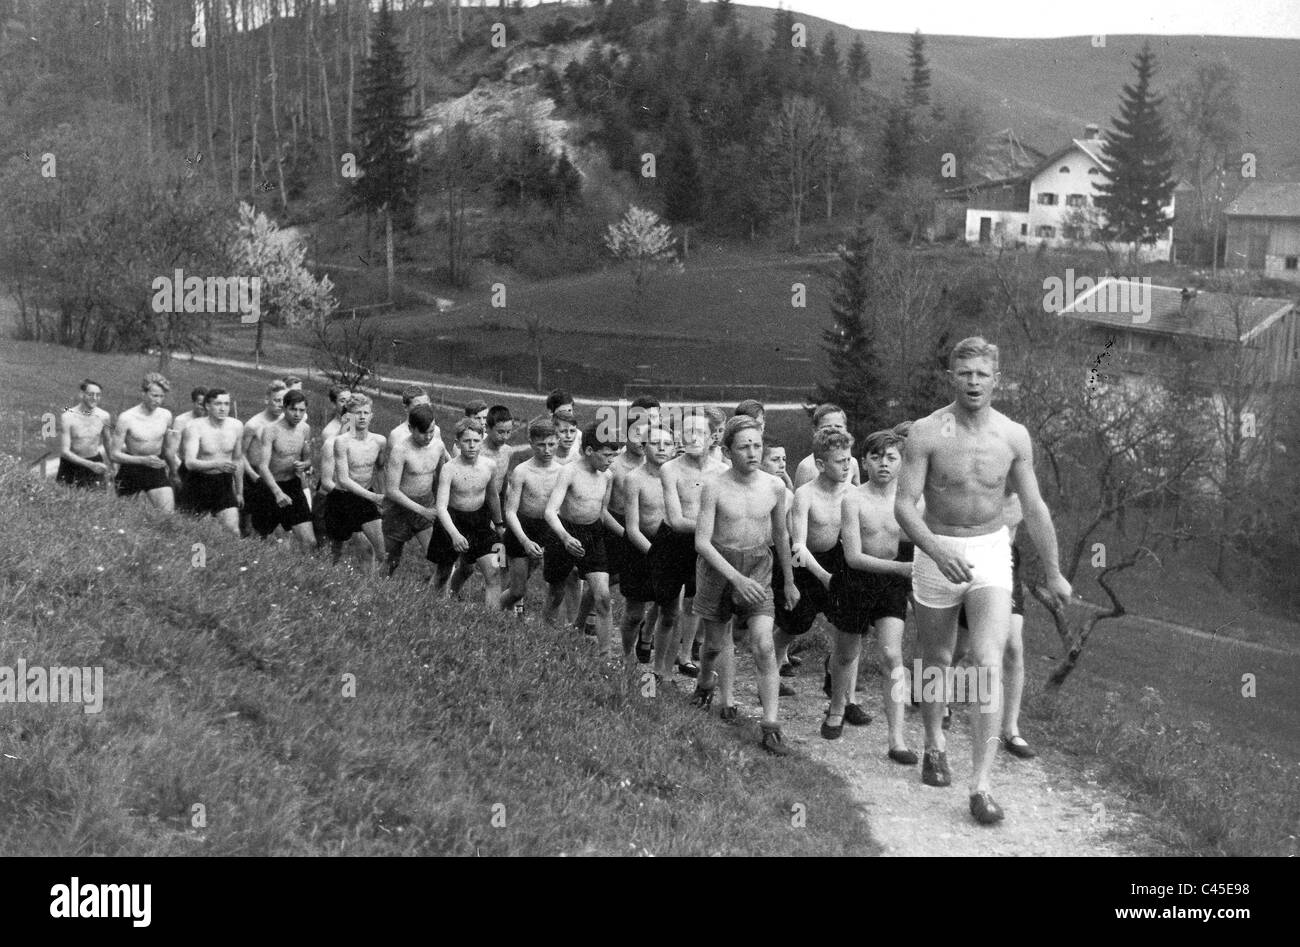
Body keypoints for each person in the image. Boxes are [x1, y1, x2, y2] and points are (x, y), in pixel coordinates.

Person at [894, 336, 1072, 826]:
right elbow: (904, 505)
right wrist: (934, 548)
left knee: (987, 661)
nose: (973, 382)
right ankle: (934, 743)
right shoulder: (927, 433)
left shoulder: (1013, 436)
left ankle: (982, 785)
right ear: (952, 376)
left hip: (991, 552)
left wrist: (1054, 571)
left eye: (982, 374)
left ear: (997, 379)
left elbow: (1034, 508)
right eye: (964, 373)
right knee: (939, 659)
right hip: (937, 549)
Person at [691, 416, 798, 756]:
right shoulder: (714, 486)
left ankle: (770, 726)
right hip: (718, 567)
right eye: (744, 447)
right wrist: (734, 578)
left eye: (757, 445)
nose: (753, 453)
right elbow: (702, 542)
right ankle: (706, 683)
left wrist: (790, 580)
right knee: (714, 644)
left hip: (759, 566)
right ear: (727, 450)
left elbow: (781, 535)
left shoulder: (775, 486)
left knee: (764, 645)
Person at [832, 430, 915, 761]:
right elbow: (852, 556)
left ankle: (897, 738)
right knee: (847, 653)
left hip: (891, 585)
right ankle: (838, 705)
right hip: (856, 581)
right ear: (863, 462)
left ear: (901, 462)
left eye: (891, 457)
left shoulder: (910, 501)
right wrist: (900, 570)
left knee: (892, 657)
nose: (884, 464)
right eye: (876, 457)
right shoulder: (853, 499)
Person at [952, 491, 1036, 758]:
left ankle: (1010, 728)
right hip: (967, 562)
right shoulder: (978, 482)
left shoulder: (1024, 493)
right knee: (960, 647)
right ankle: (929, 692)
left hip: (1004, 566)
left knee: (1013, 646)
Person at [773, 427, 854, 697]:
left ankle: (836, 675)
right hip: (803, 563)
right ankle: (770, 671)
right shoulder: (805, 495)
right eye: (839, 461)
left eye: (848, 460)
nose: (846, 466)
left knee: (847, 621)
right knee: (794, 624)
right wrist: (823, 576)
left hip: (835, 558)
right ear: (820, 464)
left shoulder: (850, 493)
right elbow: (797, 545)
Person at [654, 409, 725, 677]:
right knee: (669, 612)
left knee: (696, 605)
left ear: (712, 437)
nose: (693, 438)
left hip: (706, 545)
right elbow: (676, 519)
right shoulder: (669, 469)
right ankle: (657, 673)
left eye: (700, 433)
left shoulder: (722, 472)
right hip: (674, 543)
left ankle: (683, 660)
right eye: (687, 432)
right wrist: (712, 529)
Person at [543, 422, 621, 657]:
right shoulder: (568, 472)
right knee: (556, 593)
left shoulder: (607, 476)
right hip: (563, 534)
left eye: (614, 456)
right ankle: (544, 639)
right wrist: (565, 538)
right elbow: (550, 511)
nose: (610, 461)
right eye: (606, 455)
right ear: (589, 451)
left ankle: (604, 655)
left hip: (592, 535)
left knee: (603, 596)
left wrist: (625, 535)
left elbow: (603, 513)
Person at [625, 423, 681, 679]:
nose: (661, 448)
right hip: (641, 548)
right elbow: (633, 528)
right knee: (635, 613)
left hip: (671, 549)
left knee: (670, 612)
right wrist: (655, 555)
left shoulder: (680, 477)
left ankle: (660, 669)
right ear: (643, 446)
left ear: (674, 448)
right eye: (655, 443)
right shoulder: (634, 479)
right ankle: (627, 659)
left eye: (667, 444)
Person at [428, 417, 502, 602]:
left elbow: (493, 496)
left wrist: (499, 524)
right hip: (451, 520)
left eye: (476, 441)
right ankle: (430, 606)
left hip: (480, 521)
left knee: (494, 571)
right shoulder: (449, 469)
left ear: (482, 441)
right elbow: (441, 507)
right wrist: (454, 534)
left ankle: (490, 621)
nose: (471, 445)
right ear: (458, 443)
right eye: (466, 441)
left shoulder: (489, 466)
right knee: (443, 573)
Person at [499, 416, 564, 615]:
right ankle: (494, 611)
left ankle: (544, 622)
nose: (547, 450)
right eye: (541, 445)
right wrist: (525, 541)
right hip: (522, 528)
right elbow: (510, 512)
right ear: (531, 444)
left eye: (551, 444)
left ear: (557, 442)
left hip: (548, 529)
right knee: (518, 590)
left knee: (548, 581)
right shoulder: (522, 471)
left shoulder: (562, 472)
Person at [382, 404, 447, 576]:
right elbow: (391, 490)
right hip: (398, 508)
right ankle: (379, 589)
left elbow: (442, 480)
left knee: (437, 556)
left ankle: (438, 596)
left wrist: (438, 506)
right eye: (423, 432)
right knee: (391, 560)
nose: (428, 437)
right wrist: (422, 510)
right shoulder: (400, 450)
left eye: (432, 431)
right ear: (411, 428)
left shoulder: (438, 446)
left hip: (426, 503)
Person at [328, 394, 387, 571]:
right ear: (348, 416)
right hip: (343, 499)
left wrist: (383, 497)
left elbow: (381, 469)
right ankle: (327, 577)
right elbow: (344, 479)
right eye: (357, 413)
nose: (361, 417)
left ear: (371, 416)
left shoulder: (379, 441)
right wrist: (373, 496)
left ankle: (368, 591)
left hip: (366, 499)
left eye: (365, 412)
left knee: (377, 551)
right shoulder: (341, 442)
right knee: (336, 550)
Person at [254, 389, 317, 548]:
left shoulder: (305, 429)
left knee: (310, 542)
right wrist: (277, 493)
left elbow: (308, 459)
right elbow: (262, 466)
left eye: (301, 410)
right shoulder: (271, 430)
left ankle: (303, 571)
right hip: (270, 488)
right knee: (262, 542)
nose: (297, 414)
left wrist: (305, 465)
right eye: (293, 409)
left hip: (292, 485)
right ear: (284, 408)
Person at [111, 373, 176, 512]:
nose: (158, 401)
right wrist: (142, 460)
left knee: (168, 514)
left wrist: (174, 471)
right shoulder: (127, 418)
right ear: (143, 393)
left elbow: (168, 448)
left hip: (155, 468)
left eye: (162, 396)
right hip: (131, 468)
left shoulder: (166, 416)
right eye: (154, 395)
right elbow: (114, 454)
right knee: (124, 517)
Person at [181, 389, 243, 534]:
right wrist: (216, 464)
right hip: (198, 482)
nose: (223, 408)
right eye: (218, 404)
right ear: (207, 406)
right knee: (196, 532)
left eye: (227, 404)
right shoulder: (195, 427)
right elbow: (189, 462)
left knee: (233, 530)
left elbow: (238, 460)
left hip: (223, 483)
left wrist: (239, 492)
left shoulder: (237, 426)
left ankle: (230, 556)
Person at [240, 380, 288, 537]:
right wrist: (253, 475)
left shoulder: (286, 422)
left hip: (277, 475)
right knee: (254, 525)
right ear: (267, 400)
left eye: (284, 400)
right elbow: (240, 454)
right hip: (255, 476)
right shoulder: (253, 424)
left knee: (280, 523)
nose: (280, 404)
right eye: (277, 400)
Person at [57, 379, 112, 489]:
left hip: (95, 461)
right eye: (91, 394)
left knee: (98, 502)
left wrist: (114, 465)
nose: (95, 398)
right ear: (81, 394)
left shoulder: (104, 416)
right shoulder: (68, 417)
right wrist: (90, 465)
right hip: (71, 465)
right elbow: (65, 452)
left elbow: (107, 441)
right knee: (66, 502)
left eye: (98, 395)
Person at [793, 404, 862, 488]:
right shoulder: (807, 466)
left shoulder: (852, 463)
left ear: (846, 428)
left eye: (838, 426)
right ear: (815, 430)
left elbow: (858, 495)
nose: (834, 430)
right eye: (827, 427)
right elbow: (799, 496)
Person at [167, 387, 208, 510]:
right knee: (178, 503)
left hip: (202, 467)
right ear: (194, 403)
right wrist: (178, 468)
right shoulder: (181, 420)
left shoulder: (209, 421)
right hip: (183, 465)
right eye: (200, 404)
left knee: (198, 506)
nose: (203, 408)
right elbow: (173, 449)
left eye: (206, 404)